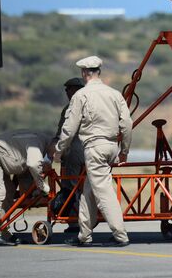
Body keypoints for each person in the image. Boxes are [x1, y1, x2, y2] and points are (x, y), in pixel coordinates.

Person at [56, 56, 133, 247]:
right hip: (111, 146)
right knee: (89, 190)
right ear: (98, 72)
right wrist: (124, 151)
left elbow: (69, 128)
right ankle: (84, 235)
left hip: (94, 147)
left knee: (103, 191)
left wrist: (59, 150)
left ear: (84, 74)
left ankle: (121, 235)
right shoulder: (115, 94)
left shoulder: (81, 96)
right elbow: (127, 124)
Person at [0, 130, 52, 246]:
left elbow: (26, 176)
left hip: (6, 156)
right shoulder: (38, 142)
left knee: (8, 193)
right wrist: (43, 187)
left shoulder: (39, 139)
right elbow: (33, 164)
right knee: (0, 193)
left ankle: (4, 233)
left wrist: (35, 192)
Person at [53, 77, 85, 233]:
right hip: (92, 150)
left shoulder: (70, 108)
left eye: (69, 89)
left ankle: (74, 222)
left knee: (71, 186)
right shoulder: (91, 105)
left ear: (75, 90)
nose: (67, 92)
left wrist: (56, 149)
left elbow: (63, 132)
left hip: (74, 150)